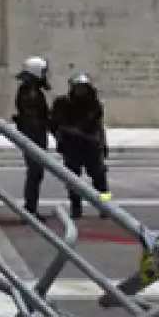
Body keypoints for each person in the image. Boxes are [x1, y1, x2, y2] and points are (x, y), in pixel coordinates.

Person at [50, 73, 110, 218]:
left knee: (100, 178)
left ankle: (106, 206)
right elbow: (56, 124)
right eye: (78, 88)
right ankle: (76, 208)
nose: (81, 91)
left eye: (83, 88)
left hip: (91, 147)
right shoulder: (63, 103)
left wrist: (103, 143)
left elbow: (98, 125)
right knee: (73, 179)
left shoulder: (94, 104)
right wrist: (68, 134)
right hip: (72, 147)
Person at [12, 56, 52, 216]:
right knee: (35, 172)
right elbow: (33, 118)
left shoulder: (31, 91)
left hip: (34, 136)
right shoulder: (31, 93)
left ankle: (31, 208)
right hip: (33, 136)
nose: (45, 75)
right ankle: (30, 209)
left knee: (36, 173)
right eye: (43, 72)